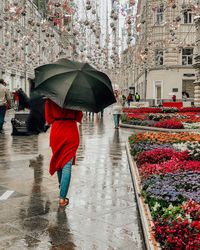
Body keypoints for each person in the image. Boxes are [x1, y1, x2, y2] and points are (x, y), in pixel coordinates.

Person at [45, 98, 83, 207]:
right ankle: (62, 198)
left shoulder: (50, 98)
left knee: (59, 162)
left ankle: (62, 187)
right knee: (67, 164)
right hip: (70, 130)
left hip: (56, 131)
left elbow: (48, 118)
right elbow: (79, 117)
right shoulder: (75, 98)